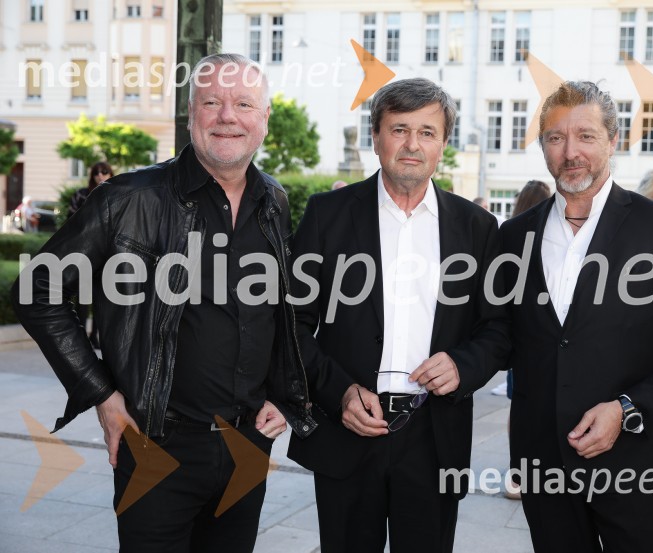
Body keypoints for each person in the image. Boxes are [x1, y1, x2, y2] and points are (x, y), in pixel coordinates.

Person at [12, 53, 315, 553]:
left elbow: (277, 313)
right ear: (190, 112)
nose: (227, 116)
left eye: (243, 103)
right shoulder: (127, 198)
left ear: (264, 119)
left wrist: (286, 395)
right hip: (155, 445)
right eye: (211, 101)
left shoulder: (274, 201)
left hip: (247, 448)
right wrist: (102, 396)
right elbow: (35, 291)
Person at [498, 81, 653, 552]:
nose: (570, 152)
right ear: (542, 145)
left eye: (585, 135)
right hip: (544, 462)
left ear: (612, 141)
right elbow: (502, 335)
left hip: (637, 464)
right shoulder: (515, 234)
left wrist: (627, 410)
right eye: (556, 138)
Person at [287, 78, 510, 553]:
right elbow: (291, 324)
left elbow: (499, 327)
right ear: (376, 137)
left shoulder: (477, 228)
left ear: (443, 143)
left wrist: (463, 365)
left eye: (427, 132)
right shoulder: (327, 215)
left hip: (434, 434)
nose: (413, 145)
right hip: (349, 429)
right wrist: (339, 391)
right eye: (400, 129)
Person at [498, 179, 552, 500]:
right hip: (539, 336)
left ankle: (516, 470)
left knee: (518, 402)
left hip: (518, 340)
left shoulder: (511, 233)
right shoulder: (545, 235)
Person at [69, 161, 115, 348]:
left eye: (104, 172)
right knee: (83, 296)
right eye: (97, 173)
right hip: (84, 253)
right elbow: (71, 222)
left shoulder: (117, 193)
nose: (100, 176)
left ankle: (95, 335)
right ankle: (81, 336)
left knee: (101, 297)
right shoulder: (81, 195)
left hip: (108, 254)